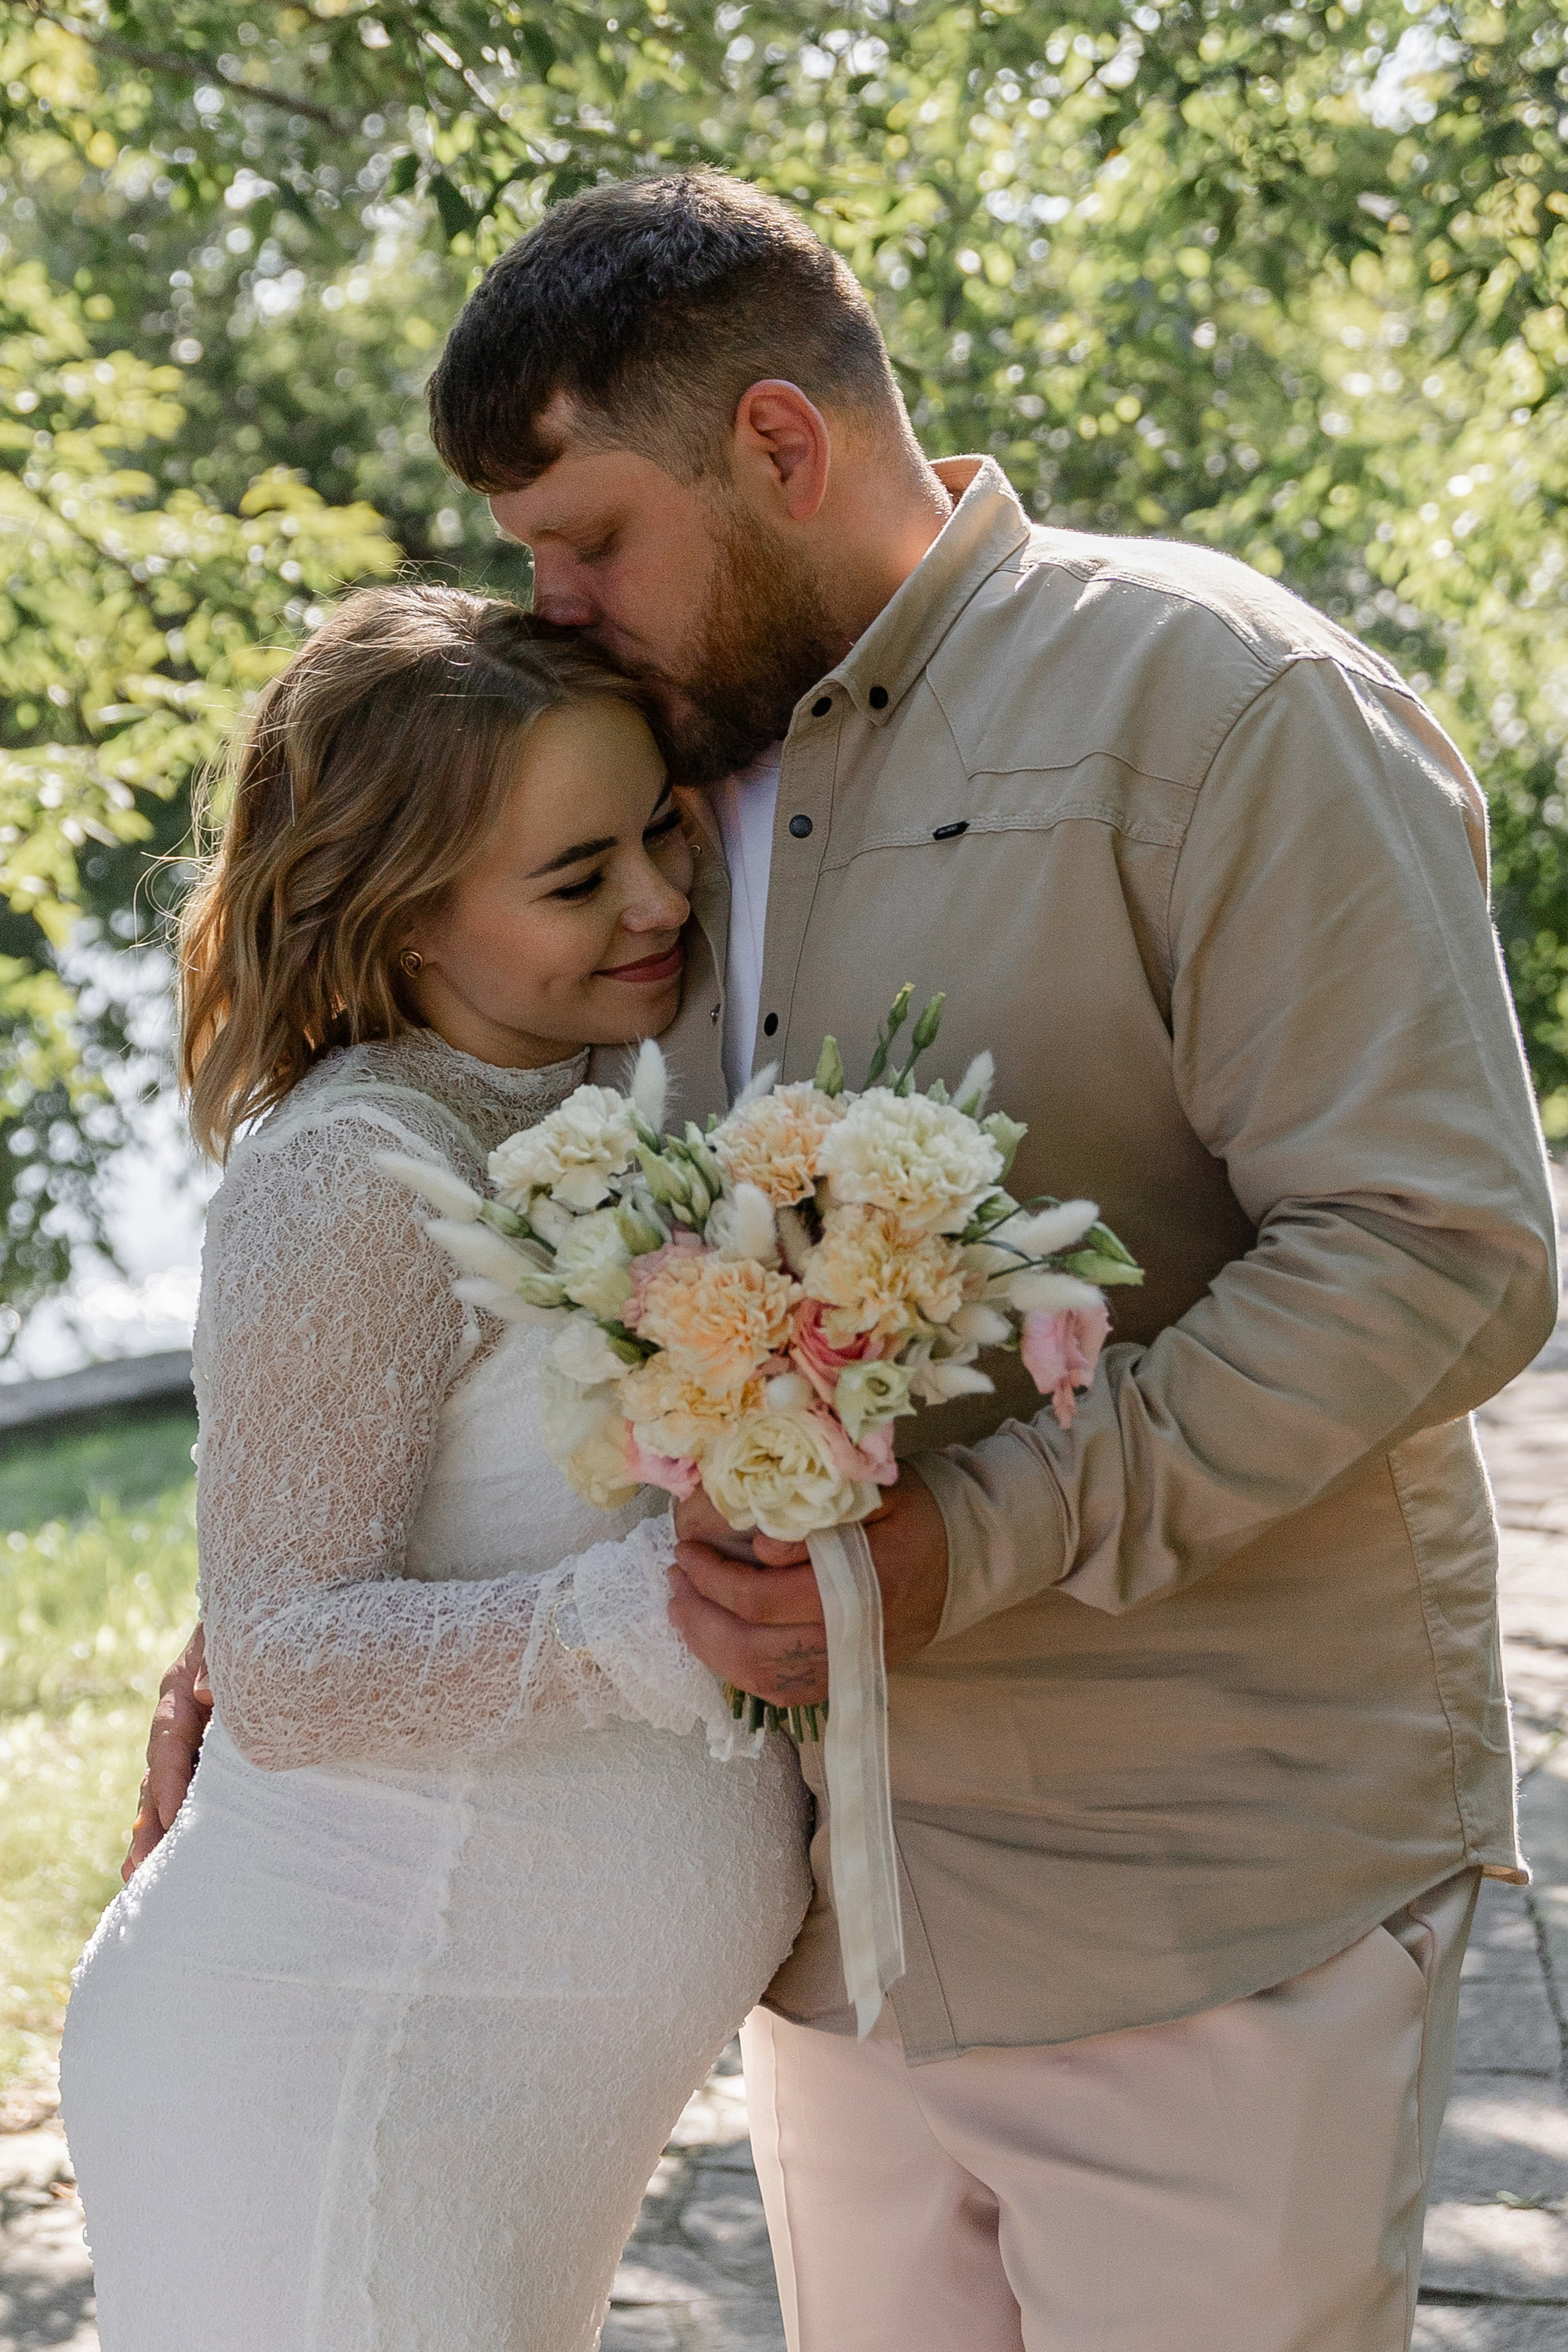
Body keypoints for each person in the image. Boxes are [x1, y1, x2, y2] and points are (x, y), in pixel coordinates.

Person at [137, 173, 1559, 2351]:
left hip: (1204, 1899)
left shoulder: (1222, 703)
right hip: (833, 1928)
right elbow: (508, 1256)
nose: (553, 598)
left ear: (780, 448)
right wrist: (298, 1604)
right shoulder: (653, 787)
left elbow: (1439, 1251)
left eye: (588, 535)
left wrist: (969, 1544)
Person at [61, 584, 811, 2352]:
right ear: (398, 918)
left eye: (659, 834)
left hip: (489, 2080)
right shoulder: (348, 1179)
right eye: (576, 879)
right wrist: (646, 1615)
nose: (655, 898)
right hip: (348, 2056)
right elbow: (288, 1662)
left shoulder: (619, 1080)